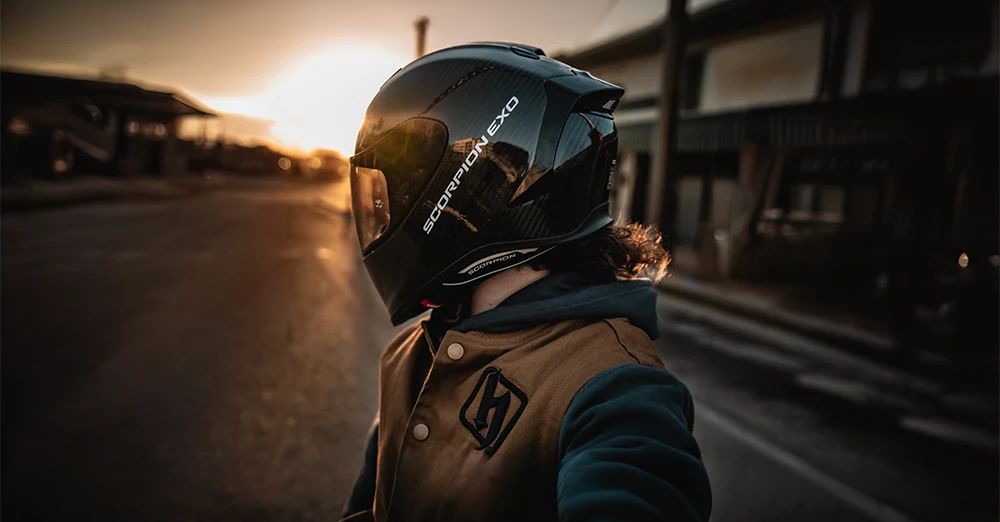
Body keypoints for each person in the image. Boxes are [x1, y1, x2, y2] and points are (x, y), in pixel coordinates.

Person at [341, 42, 711, 522]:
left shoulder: (617, 388)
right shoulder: (411, 353)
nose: (383, 214)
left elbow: (633, 481)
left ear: (464, 195)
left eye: (398, 192)